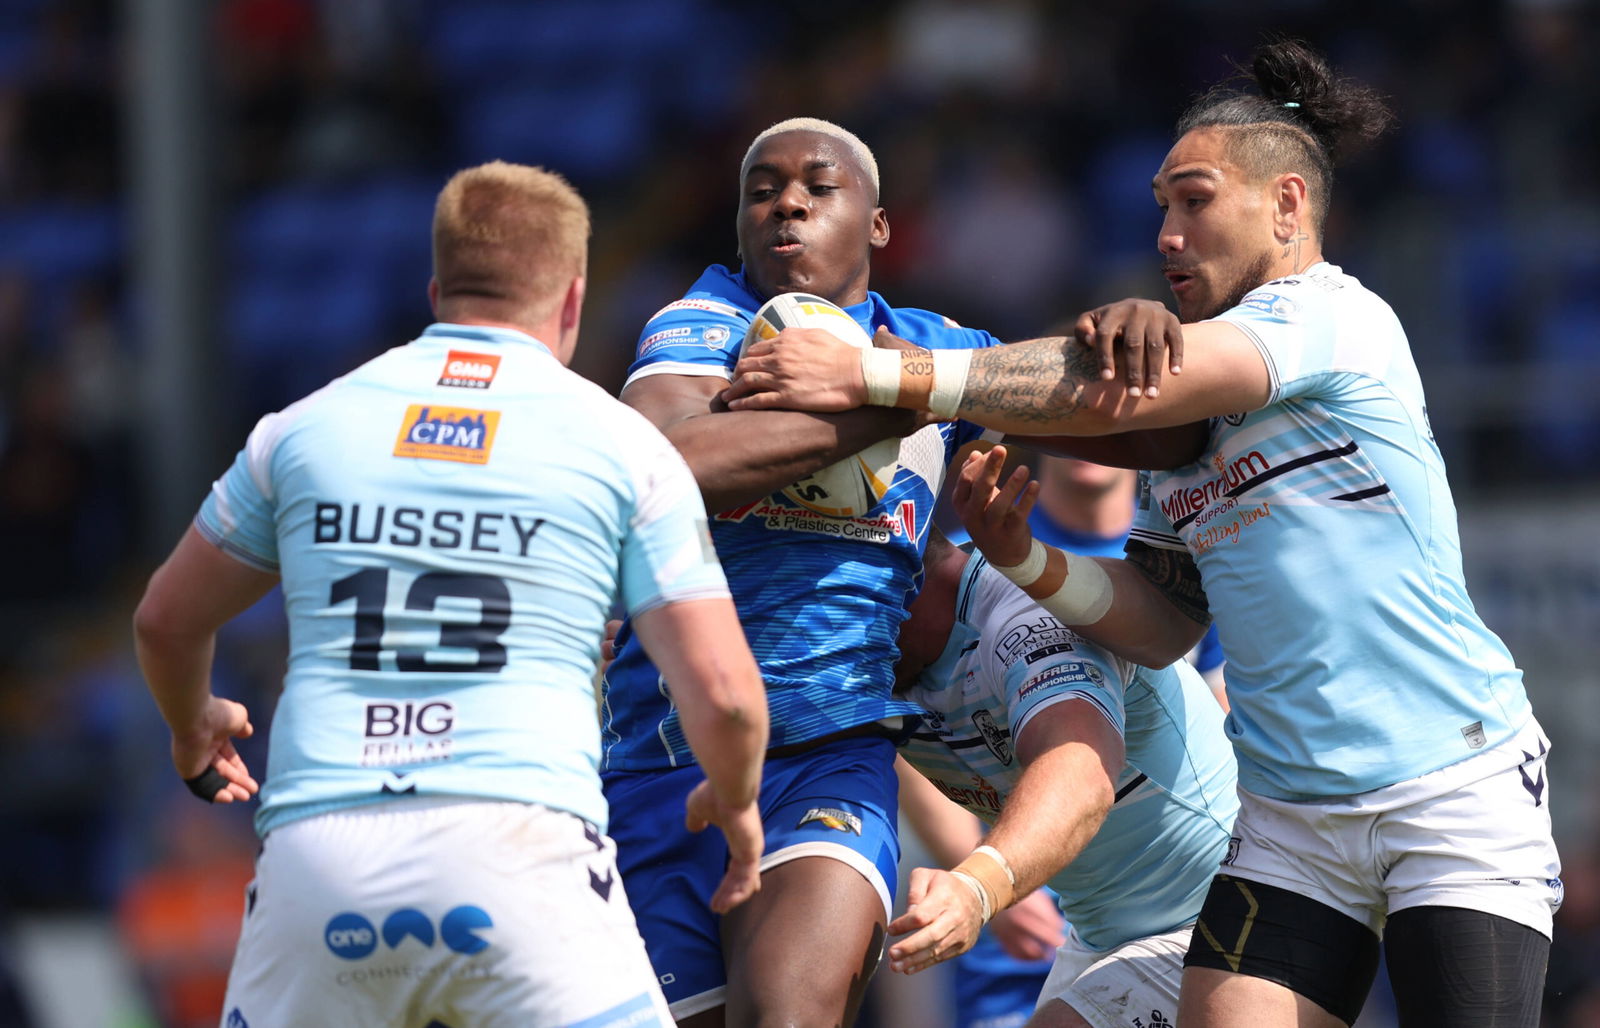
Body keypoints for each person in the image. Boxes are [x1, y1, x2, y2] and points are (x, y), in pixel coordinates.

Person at [725, 40, 1561, 1028]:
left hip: (1449, 782)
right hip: (1291, 821)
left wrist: (874, 372)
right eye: (1159, 204)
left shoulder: (1336, 321)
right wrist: (1024, 557)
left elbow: (1128, 391)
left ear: (1287, 207)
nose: (1165, 232)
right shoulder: (1185, 448)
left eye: (1193, 201)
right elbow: (1162, 623)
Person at [131, 161, 769, 1028]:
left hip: (322, 858)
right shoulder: (624, 447)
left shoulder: (303, 430)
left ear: (437, 289)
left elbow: (165, 621)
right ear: (573, 298)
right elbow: (726, 698)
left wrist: (192, 722)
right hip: (519, 850)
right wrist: (734, 798)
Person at [887, 526, 1237, 1028]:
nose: (826, 638)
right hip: (1099, 937)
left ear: (902, 577)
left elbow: (1079, 772)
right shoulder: (867, 658)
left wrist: (978, 886)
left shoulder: (1025, 617)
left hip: (1223, 908)